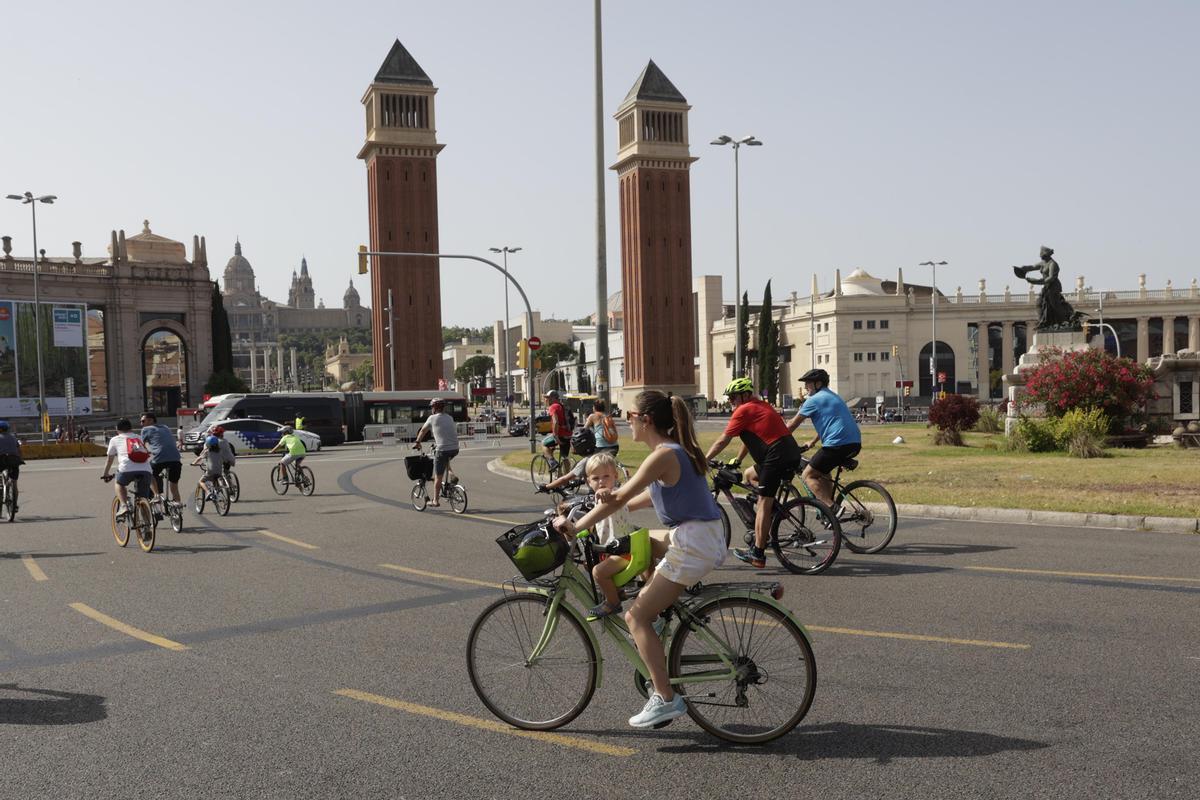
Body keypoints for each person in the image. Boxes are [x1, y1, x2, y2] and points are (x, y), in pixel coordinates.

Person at [555, 390, 724, 729]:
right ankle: (657, 614)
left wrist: (577, 524)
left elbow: (618, 497)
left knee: (635, 617)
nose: (623, 420)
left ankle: (665, 698)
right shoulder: (675, 452)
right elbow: (628, 502)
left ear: (646, 421)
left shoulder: (662, 455)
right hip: (701, 536)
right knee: (642, 540)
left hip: (694, 543)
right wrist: (584, 517)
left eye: (628, 415)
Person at [704, 377, 804, 569]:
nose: (731, 401)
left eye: (734, 397)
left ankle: (758, 554)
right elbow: (749, 439)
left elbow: (722, 441)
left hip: (776, 456)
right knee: (750, 475)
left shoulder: (744, 410)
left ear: (745, 395)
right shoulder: (760, 406)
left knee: (763, 503)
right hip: (788, 452)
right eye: (730, 398)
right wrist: (739, 460)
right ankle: (773, 512)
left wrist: (704, 459)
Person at [576, 452, 642, 620]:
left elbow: (606, 497)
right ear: (588, 481)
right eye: (596, 478)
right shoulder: (601, 499)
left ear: (615, 476)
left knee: (598, 572)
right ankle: (618, 592)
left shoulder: (612, 496)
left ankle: (613, 603)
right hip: (619, 549)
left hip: (624, 552)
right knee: (590, 562)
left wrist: (603, 493)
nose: (601, 482)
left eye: (606, 476)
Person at [785, 368, 862, 509]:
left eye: (808, 383)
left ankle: (831, 508)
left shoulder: (813, 400)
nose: (805, 387)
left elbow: (792, 424)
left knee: (808, 475)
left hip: (837, 445)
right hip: (854, 443)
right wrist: (813, 442)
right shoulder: (833, 396)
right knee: (824, 472)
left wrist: (775, 439)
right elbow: (830, 424)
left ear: (818, 384)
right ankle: (830, 510)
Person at [101, 418, 154, 518]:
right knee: (143, 498)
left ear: (117, 429)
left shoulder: (115, 439)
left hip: (126, 469)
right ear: (131, 428)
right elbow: (148, 452)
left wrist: (105, 474)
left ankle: (124, 506)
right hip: (146, 469)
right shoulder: (139, 437)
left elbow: (109, 460)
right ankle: (147, 527)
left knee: (119, 483)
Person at [413, 399, 458, 507]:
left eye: (432, 407)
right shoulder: (449, 417)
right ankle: (451, 474)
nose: (431, 409)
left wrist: (418, 442)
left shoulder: (432, 418)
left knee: (438, 476)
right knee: (445, 459)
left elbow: (423, 430)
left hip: (442, 449)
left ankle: (435, 501)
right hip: (455, 449)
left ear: (435, 408)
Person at [140, 411, 183, 507]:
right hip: (176, 458)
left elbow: (141, 446)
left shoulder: (146, 429)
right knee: (174, 484)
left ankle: (157, 495)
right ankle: (178, 505)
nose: (141, 424)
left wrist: (147, 452)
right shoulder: (165, 427)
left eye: (143, 421)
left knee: (149, 473)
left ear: (151, 420)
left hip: (159, 458)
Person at [0, 420, 25, 512]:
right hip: (14, 460)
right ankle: (15, 504)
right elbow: (19, 451)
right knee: (14, 482)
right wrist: (21, 459)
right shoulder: (13, 438)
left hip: (1, 461)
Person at [190, 436, 224, 500]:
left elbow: (199, 458)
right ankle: (218, 493)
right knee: (215, 478)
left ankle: (208, 493)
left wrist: (193, 463)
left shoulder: (207, 452)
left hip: (210, 471)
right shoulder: (220, 451)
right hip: (219, 471)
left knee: (201, 481)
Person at [544, 389, 571, 463]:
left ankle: (552, 462)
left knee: (544, 444)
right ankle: (564, 474)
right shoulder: (562, 406)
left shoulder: (553, 407)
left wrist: (555, 436)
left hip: (560, 435)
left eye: (547, 398)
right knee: (564, 457)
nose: (546, 400)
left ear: (553, 398)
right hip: (567, 435)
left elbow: (555, 422)